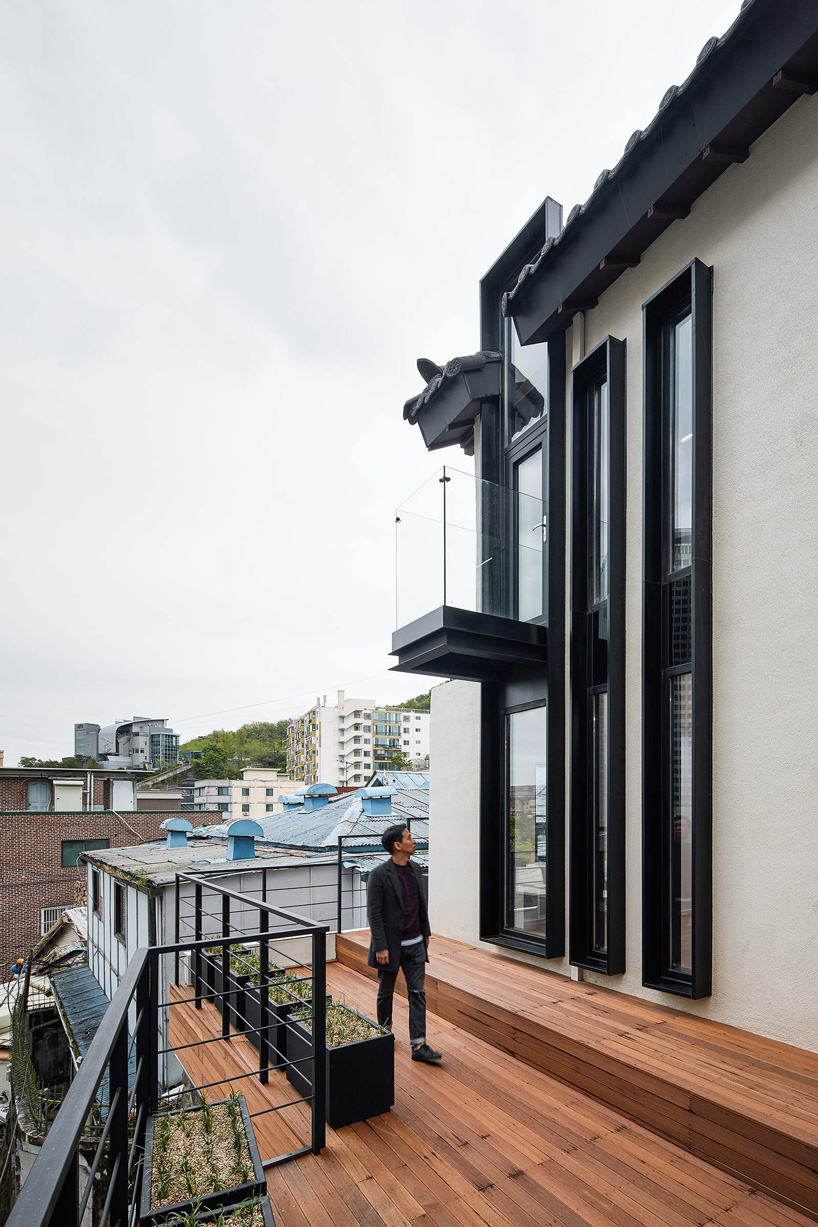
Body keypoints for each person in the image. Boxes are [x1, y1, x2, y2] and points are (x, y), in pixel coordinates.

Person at [366, 824, 442, 1064]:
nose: (414, 841)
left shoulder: (416, 868)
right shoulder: (379, 875)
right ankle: (384, 1033)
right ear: (398, 845)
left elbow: (421, 905)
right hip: (390, 947)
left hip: (416, 944)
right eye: (409, 838)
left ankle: (418, 1045)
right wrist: (380, 946)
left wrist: (426, 933)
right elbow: (374, 914)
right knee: (386, 992)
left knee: (417, 993)